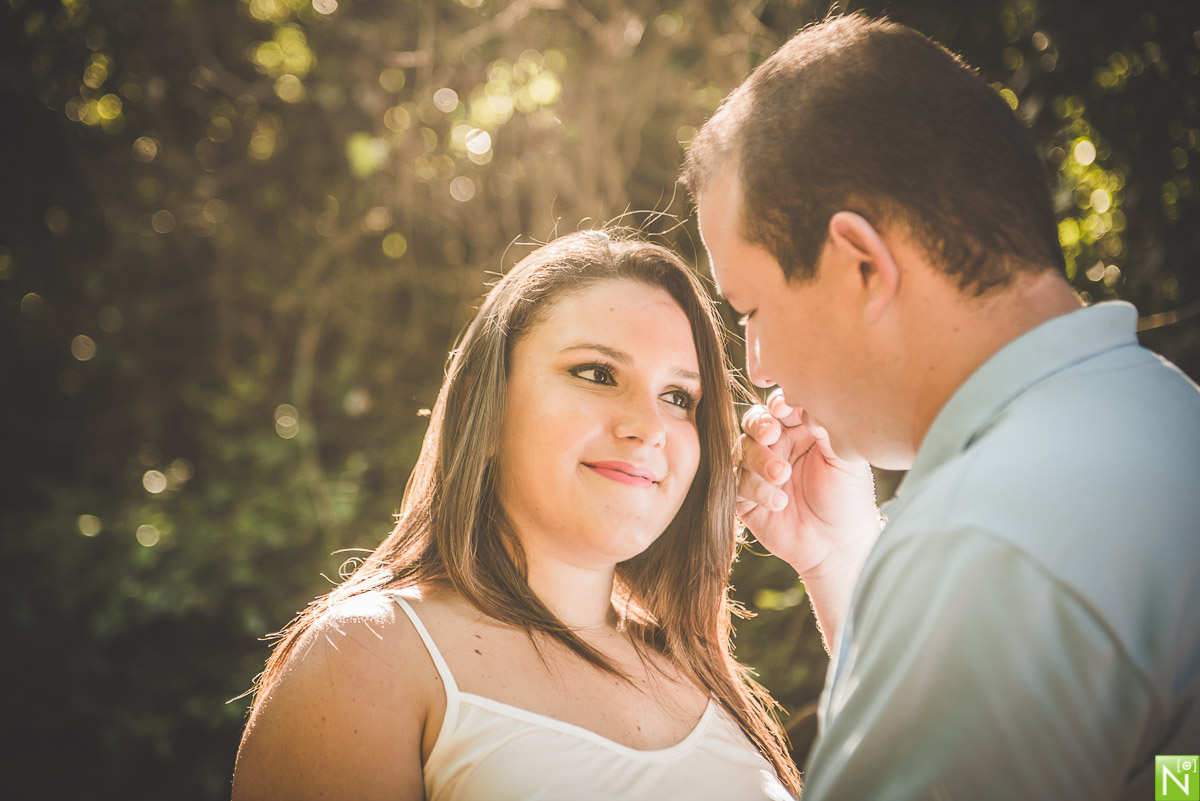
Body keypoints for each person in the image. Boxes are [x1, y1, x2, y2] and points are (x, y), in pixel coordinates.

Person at [683, 12, 1200, 801]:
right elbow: (1166, 775)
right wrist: (841, 556)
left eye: (750, 309)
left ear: (861, 264)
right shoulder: (1160, 414)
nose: (759, 367)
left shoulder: (987, 538)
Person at [231, 230, 801, 800]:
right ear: (488, 401)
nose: (649, 427)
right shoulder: (368, 655)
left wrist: (831, 558)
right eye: (598, 373)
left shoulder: (703, 676)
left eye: (679, 397)